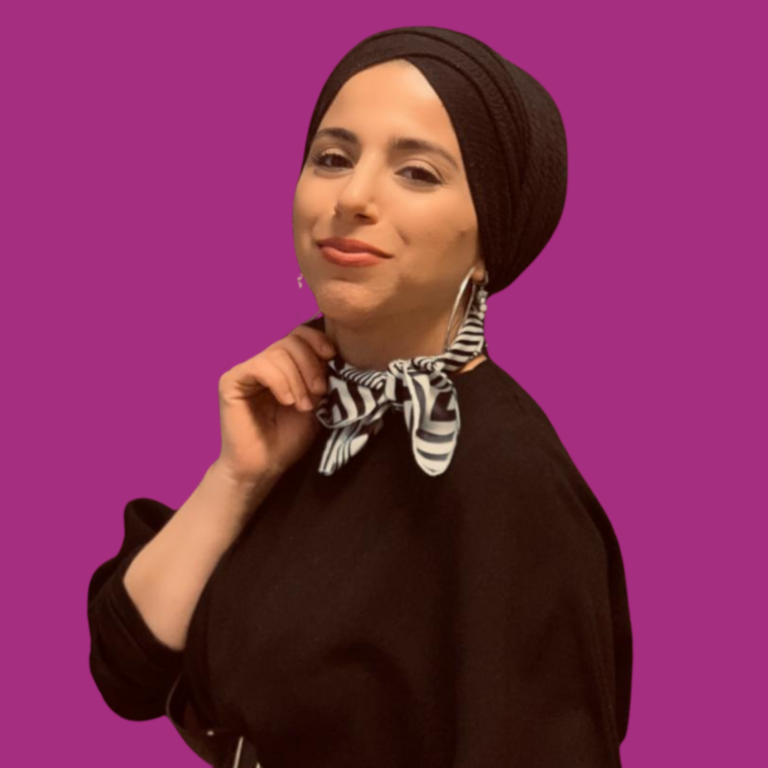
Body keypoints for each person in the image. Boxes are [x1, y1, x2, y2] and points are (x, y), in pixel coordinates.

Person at [87, 25, 632, 768]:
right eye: (333, 158)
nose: (353, 197)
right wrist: (237, 478)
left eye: (418, 172)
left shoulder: (508, 480)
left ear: (489, 241)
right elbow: (126, 672)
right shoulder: (306, 416)